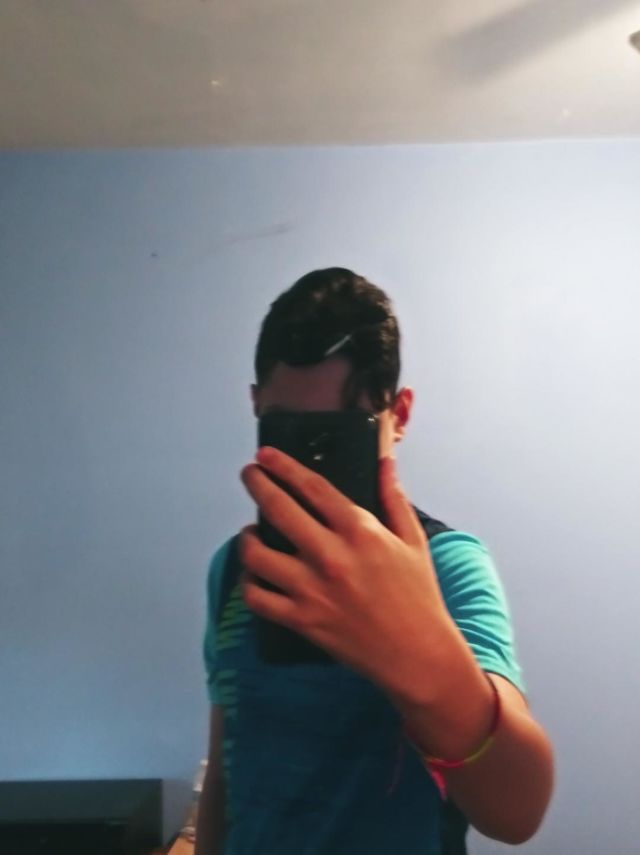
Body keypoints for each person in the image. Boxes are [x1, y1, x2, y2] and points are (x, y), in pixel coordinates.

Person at [195, 268, 554, 854]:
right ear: (255, 407)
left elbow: (518, 813)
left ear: (399, 416)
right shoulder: (235, 569)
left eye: (340, 437)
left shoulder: (448, 567)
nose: (312, 470)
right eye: (290, 433)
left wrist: (416, 651)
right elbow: (226, 774)